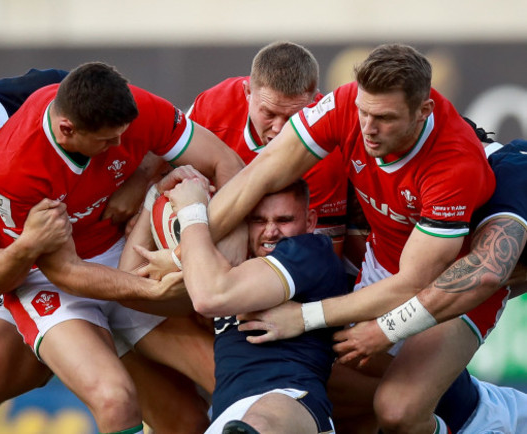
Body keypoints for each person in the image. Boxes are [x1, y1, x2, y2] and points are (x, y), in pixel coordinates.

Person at [0, 45, 211, 434]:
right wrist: (29, 244)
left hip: (116, 252)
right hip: (28, 271)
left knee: (187, 420)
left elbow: (143, 126)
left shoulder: (51, 92)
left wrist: (140, 178)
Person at [205, 43, 504, 433]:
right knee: (335, 372)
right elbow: (261, 173)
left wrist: (306, 318)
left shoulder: (455, 163)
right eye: (363, 112)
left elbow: (414, 284)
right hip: (385, 262)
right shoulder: (346, 104)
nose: (367, 128)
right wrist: (189, 244)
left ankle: (492, 417)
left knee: (398, 409)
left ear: (423, 112)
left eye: (384, 118)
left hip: (449, 285)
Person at [0, 61, 245, 433]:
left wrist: (227, 257)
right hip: (53, 282)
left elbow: (224, 161)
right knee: (114, 399)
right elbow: (67, 272)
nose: (120, 145)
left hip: (123, 251)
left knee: (230, 382)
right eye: (107, 140)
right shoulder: (13, 169)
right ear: (66, 129)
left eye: (122, 134)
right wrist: (150, 289)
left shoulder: (135, 108)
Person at [332, 136, 527, 433]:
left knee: (399, 408)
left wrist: (389, 328)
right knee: (336, 382)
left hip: (459, 270)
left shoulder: (512, 175)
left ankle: (481, 417)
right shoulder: (345, 130)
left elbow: (490, 273)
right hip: (414, 261)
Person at [163, 177, 348, 434]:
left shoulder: (312, 252)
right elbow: (130, 295)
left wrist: (191, 210)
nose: (271, 231)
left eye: (284, 220)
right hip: (228, 417)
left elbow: (208, 297)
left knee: (258, 422)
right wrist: (151, 199)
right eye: (259, 220)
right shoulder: (220, 271)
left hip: (292, 405)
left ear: (310, 222)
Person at [188, 41, 348, 255]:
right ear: (247, 91)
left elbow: (326, 255)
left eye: (292, 117)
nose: (279, 128)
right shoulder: (214, 106)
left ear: (313, 101)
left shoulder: (326, 151)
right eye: (269, 114)